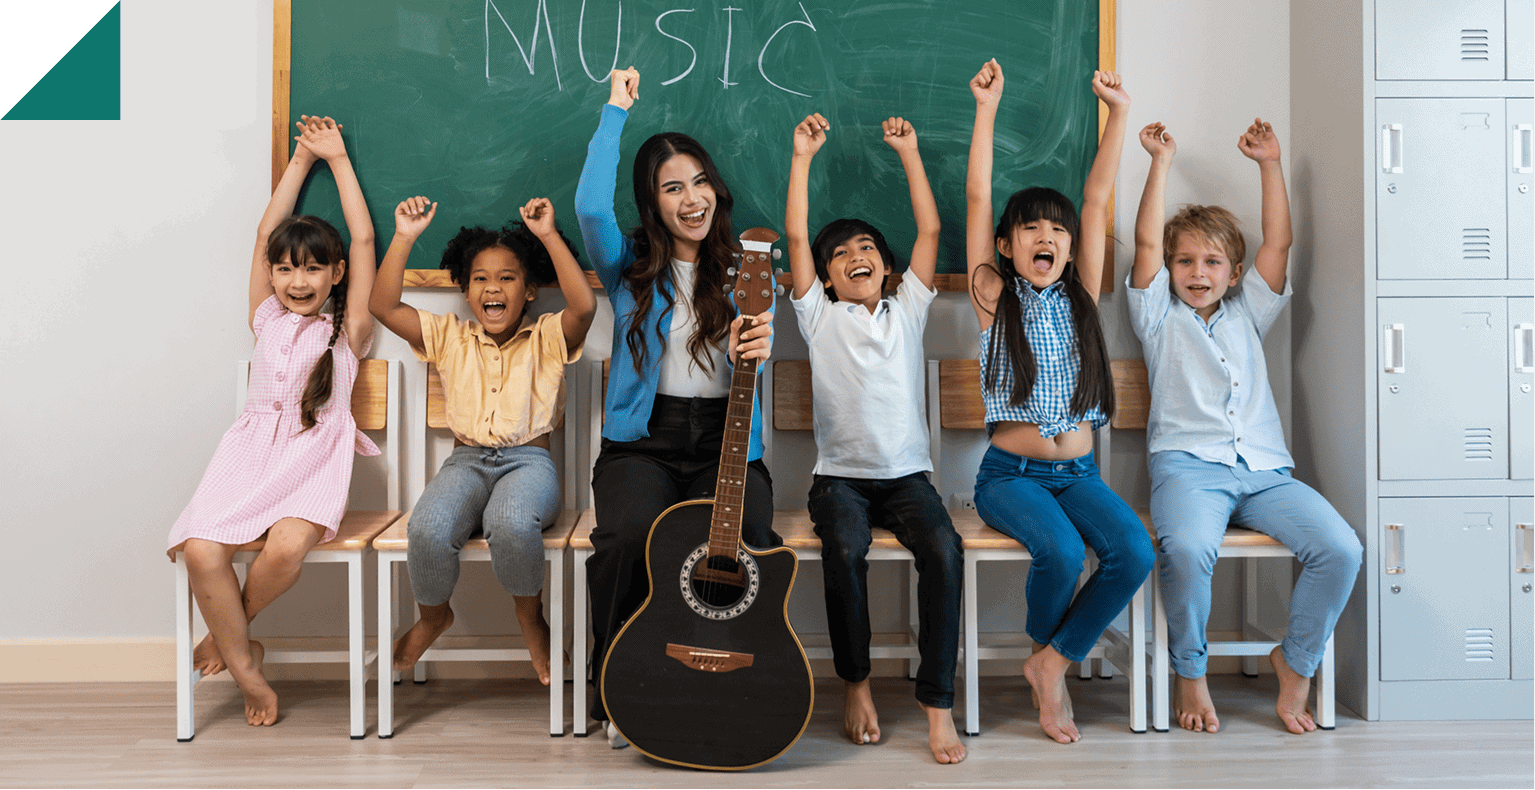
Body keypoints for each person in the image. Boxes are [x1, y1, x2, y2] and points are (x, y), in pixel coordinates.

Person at [1129, 118, 1361, 735]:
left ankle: (1296, 660)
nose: (1196, 272)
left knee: (1341, 549)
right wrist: (1160, 162)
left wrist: (1270, 164)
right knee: (1186, 548)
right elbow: (1145, 245)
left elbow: (1279, 246)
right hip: (1188, 468)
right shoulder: (1158, 316)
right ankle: (1191, 673)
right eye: (1185, 261)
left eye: (1211, 262)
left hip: (1264, 470)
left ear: (1233, 273)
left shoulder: (1247, 310)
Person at [573, 67, 778, 747]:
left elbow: (757, 342)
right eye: (671, 188)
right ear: (653, 203)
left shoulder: (748, 267)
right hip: (644, 442)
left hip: (727, 441)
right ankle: (617, 683)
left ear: (716, 188)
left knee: (740, 551)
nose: (690, 199)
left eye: (698, 183)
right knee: (627, 539)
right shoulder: (628, 264)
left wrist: (761, 339)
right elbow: (590, 211)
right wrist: (615, 111)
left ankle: (715, 680)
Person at [165, 115, 378, 727]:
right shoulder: (266, 317)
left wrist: (336, 159)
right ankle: (247, 663)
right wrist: (298, 162)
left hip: (310, 460)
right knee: (201, 550)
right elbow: (265, 232)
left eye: (312, 269)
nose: (296, 280)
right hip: (250, 453)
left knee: (285, 549)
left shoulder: (349, 329)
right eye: (285, 269)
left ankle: (232, 645)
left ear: (334, 275)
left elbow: (363, 243)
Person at [964, 59, 1152, 744]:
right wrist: (985, 110)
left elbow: (1097, 199)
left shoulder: (1081, 301)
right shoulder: (994, 297)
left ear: (1071, 249)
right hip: (1008, 477)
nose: (1047, 237)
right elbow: (979, 197)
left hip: (1079, 474)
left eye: (1058, 231)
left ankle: (1049, 661)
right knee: (1064, 556)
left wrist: (1118, 116)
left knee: (1133, 551)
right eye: (1030, 230)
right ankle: (1053, 670)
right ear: (1005, 248)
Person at [785, 112, 965, 763]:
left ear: (887, 269)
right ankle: (855, 684)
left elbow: (930, 229)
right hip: (840, 481)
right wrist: (802, 158)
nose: (854, 256)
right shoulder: (817, 317)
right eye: (839, 255)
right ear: (825, 278)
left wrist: (910, 152)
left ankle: (936, 702)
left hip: (908, 479)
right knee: (844, 554)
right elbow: (796, 233)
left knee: (944, 554)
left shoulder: (906, 309)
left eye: (866, 249)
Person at [369, 195, 595, 685]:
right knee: (426, 529)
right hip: (466, 462)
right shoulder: (450, 336)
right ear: (467, 294)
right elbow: (382, 305)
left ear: (530, 291)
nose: (493, 287)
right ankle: (433, 617)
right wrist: (405, 236)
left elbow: (585, 304)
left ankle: (530, 618)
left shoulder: (548, 337)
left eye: (508, 278)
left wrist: (549, 235)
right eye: (481, 279)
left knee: (510, 522)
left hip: (529, 464)